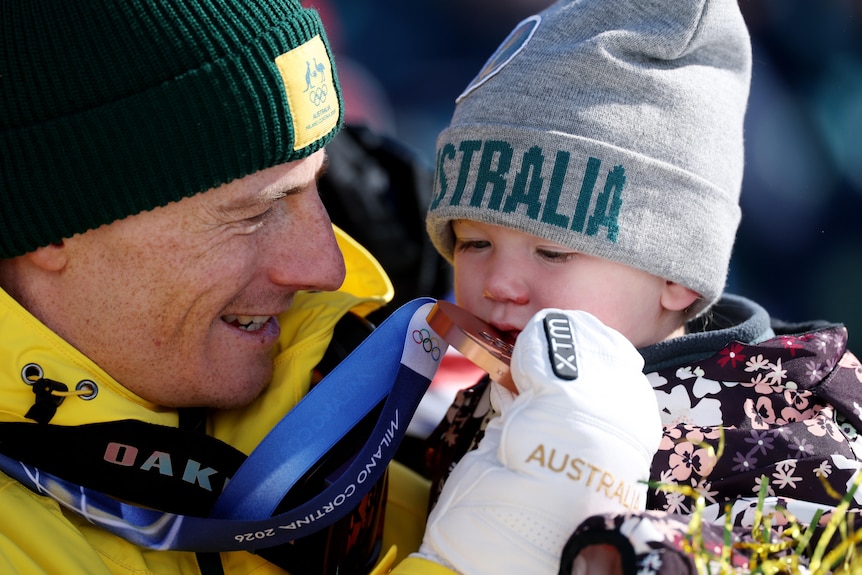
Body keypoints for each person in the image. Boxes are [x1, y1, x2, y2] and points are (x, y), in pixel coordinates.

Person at [398, 0, 862, 573]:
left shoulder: (789, 437)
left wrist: (632, 555)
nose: (499, 283)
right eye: (473, 243)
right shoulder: (483, 392)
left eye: (552, 250)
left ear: (678, 277)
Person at [0, 1, 444, 574]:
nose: (326, 269)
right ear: (52, 223)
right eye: (254, 214)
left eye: (315, 189)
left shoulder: (338, 393)